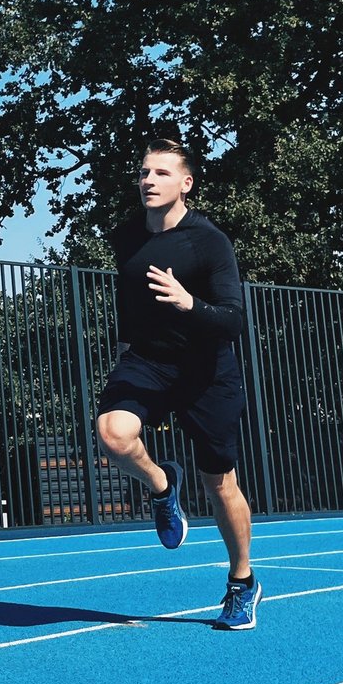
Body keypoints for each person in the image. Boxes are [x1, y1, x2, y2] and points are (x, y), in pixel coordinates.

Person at [95, 139, 259, 630]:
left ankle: (242, 582)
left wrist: (191, 305)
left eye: (162, 173)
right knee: (113, 434)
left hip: (206, 371)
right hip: (148, 362)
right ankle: (163, 486)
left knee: (219, 483)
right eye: (144, 172)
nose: (148, 180)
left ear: (186, 183)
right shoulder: (125, 236)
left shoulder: (209, 241)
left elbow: (233, 320)